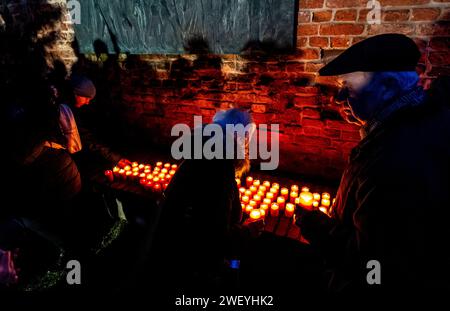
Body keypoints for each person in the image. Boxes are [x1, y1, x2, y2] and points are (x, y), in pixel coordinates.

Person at [295, 34, 450, 295]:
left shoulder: (395, 157)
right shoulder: (424, 122)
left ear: (388, 86)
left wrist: (317, 227)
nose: (338, 97)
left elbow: (375, 264)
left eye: (347, 85)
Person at [148, 109, 263, 294]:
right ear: (236, 137)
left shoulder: (199, 156)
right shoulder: (218, 171)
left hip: (170, 248)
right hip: (191, 263)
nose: (247, 144)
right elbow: (213, 238)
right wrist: (248, 230)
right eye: (246, 138)